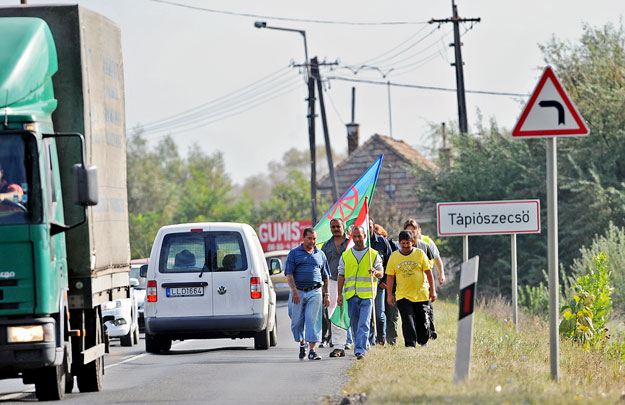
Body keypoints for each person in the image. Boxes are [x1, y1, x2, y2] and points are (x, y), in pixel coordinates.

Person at [337, 225, 383, 360]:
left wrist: (375, 272)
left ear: (365, 236)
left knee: (364, 322)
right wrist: (339, 294)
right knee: (355, 324)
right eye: (354, 236)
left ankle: (360, 350)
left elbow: (381, 272)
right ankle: (362, 344)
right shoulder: (346, 255)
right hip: (351, 295)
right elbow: (341, 275)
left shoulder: (373, 254)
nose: (357, 239)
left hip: (367, 295)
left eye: (359, 236)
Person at [285, 227, 331, 360]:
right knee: (296, 322)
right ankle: (302, 343)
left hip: (315, 291)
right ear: (303, 238)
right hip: (298, 291)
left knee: (313, 320)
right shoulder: (294, 253)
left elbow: (325, 276)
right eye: (309, 238)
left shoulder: (320, 254)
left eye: (314, 239)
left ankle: (312, 350)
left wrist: (326, 294)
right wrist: (294, 291)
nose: (312, 241)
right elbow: (289, 273)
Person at [385, 230, 437, 347]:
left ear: (412, 242)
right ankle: (410, 344)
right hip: (403, 294)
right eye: (403, 243)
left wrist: (432, 290)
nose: (405, 246)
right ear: (399, 243)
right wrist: (389, 294)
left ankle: (423, 341)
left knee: (422, 320)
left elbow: (429, 273)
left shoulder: (420, 254)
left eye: (407, 243)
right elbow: (390, 277)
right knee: (407, 320)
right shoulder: (394, 257)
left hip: (421, 294)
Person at [404, 218, 444, 339]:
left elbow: (437, 258)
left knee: (427, 306)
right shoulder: (403, 243)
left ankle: (431, 330)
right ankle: (419, 332)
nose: (411, 234)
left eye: (413, 231)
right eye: (408, 231)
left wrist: (441, 274)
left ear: (418, 231)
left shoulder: (426, 242)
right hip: (409, 282)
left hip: (425, 279)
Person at [321, 218, 349, 358]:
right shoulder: (326, 245)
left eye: (338, 226)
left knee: (349, 313)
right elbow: (322, 266)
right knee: (333, 313)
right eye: (333, 227)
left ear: (343, 227)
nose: (336, 229)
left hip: (349, 282)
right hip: (332, 282)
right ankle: (338, 344)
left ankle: (351, 341)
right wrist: (324, 287)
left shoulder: (351, 242)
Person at [368, 218, 392, 346]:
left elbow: (390, 261)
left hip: (380, 284)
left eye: (370, 225)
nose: (368, 228)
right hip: (364, 285)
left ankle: (381, 338)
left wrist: (385, 280)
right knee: (368, 315)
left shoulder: (382, 241)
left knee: (379, 314)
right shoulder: (359, 241)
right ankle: (370, 340)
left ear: (373, 226)